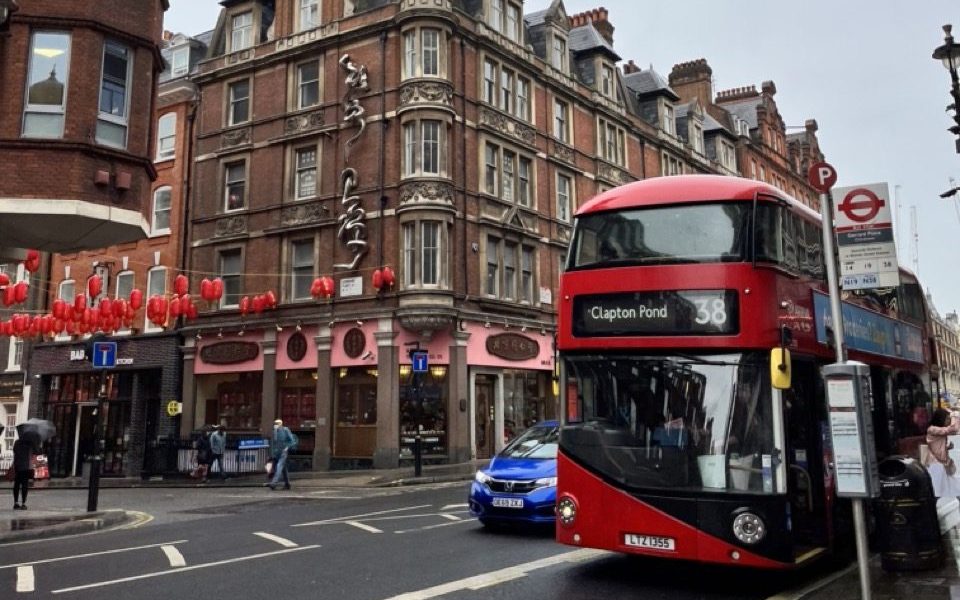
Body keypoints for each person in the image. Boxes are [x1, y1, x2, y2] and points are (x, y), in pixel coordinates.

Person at [924, 407, 960, 497]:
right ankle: (930, 509)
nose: (949, 421)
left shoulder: (936, 429)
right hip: (935, 464)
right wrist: (955, 415)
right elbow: (953, 429)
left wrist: (947, 447)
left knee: (954, 488)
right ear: (940, 418)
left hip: (942, 463)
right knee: (936, 491)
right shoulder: (932, 429)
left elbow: (936, 445)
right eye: (947, 418)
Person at [12, 426, 36, 510]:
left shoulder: (17, 443)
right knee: (24, 485)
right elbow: (36, 452)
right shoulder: (29, 443)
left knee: (17, 485)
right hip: (26, 467)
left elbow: (14, 451)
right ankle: (23, 503)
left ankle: (15, 502)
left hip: (18, 466)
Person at [268, 419, 296, 490]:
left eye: (277, 424)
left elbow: (292, 441)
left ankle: (274, 483)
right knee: (283, 468)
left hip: (283, 452)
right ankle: (287, 484)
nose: (275, 425)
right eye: (275, 424)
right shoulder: (274, 432)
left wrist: (287, 447)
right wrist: (272, 454)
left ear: (281, 424)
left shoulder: (285, 430)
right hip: (276, 452)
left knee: (279, 466)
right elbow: (272, 443)